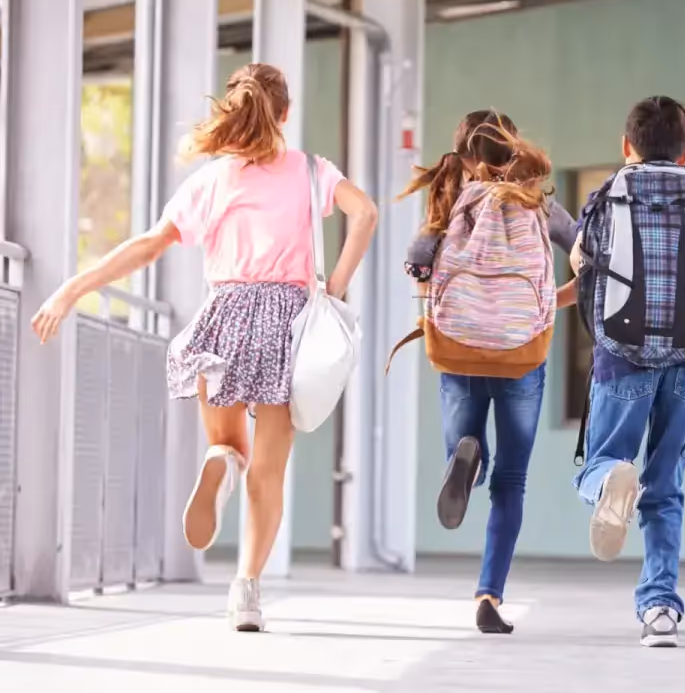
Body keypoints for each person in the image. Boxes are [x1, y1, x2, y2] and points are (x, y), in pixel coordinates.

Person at [31, 63, 377, 631]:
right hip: (287, 325)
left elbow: (149, 245)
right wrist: (333, 288)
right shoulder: (310, 170)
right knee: (268, 473)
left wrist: (73, 288)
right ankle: (247, 591)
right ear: (285, 113)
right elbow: (364, 213)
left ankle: (220, 462)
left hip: (223, 318)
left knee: (227, 444)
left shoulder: (213, 180)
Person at [569, 97, 685, 647]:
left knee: (602, 460)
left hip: (621, 353)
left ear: (627, 145)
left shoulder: (610, 192)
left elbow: (580, 262)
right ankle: (660, 611)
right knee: (666, 483)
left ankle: (610, 481)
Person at [397, 111, 577, 634]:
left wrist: (435, 305)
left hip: (459, 349)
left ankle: (467, 459)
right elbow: (589, 256)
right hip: (522, 351)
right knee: (512, 481)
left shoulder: (450, 201)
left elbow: (418, 262)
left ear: (462, 156)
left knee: (464, 448)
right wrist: (548, 304)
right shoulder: (538, 203)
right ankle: (489, 594)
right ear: (514, 149)